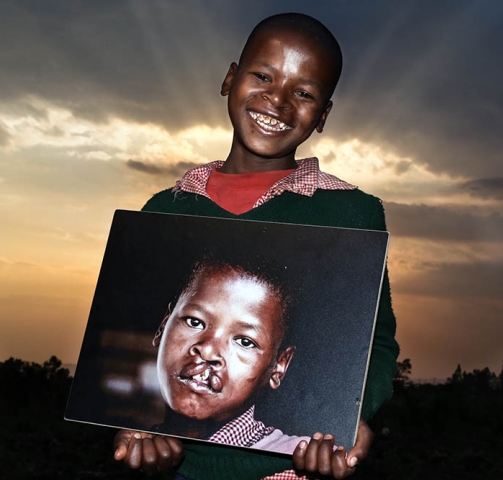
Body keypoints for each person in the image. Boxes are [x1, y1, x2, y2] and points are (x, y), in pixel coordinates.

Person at [113, 12, 399, 480]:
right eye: (263, 76)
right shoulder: (167, 209)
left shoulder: (351, 214)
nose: (278, 101)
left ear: (323, 114)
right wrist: (135, 433)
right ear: (230, 78)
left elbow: (377, 342)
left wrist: (346, 419)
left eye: (303, 93)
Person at [150, 259, 308, 454]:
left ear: (279, 366)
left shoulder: (296, 460)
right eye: (194, 322)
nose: (207, 352)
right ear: (163, 326)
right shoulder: (132, 443)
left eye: (245, 342)